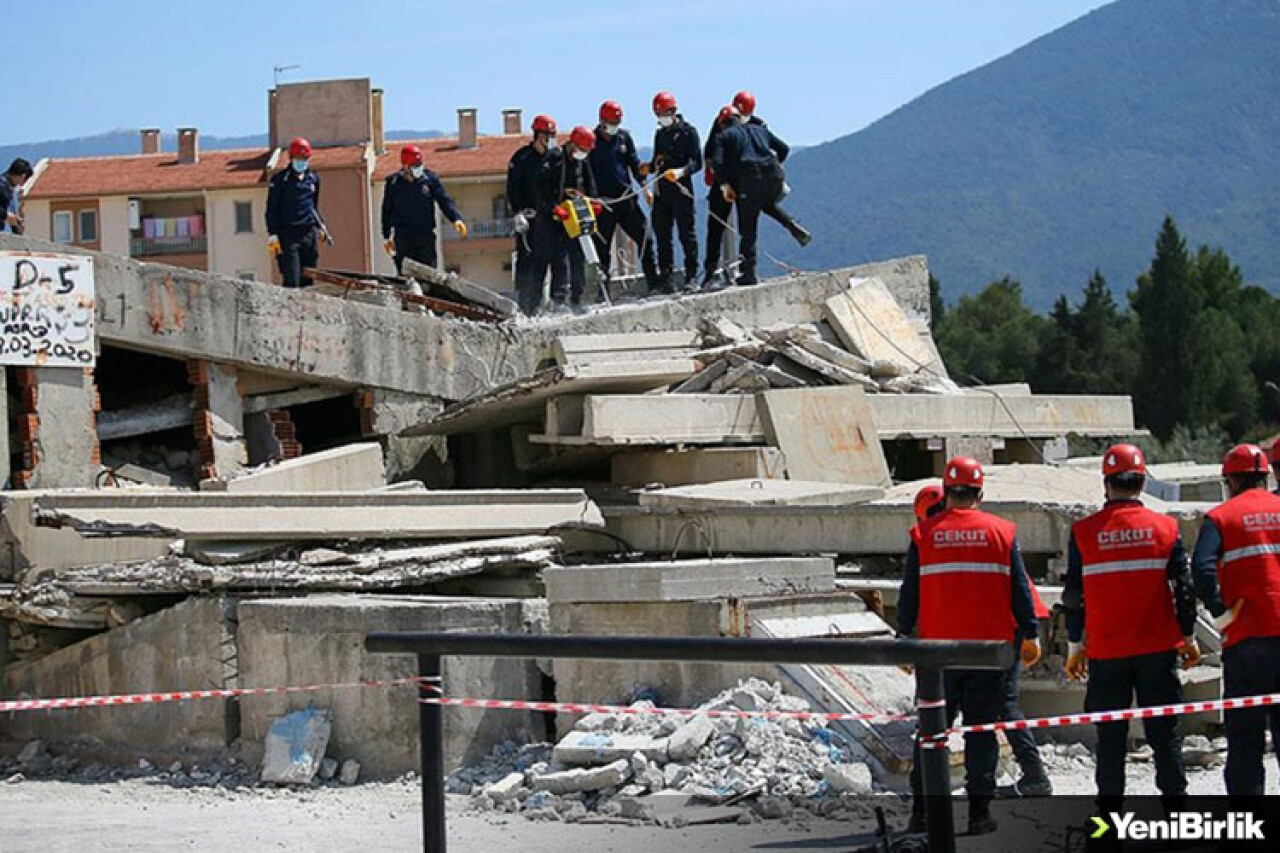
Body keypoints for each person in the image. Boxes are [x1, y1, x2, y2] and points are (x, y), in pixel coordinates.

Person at [898, 457, 1040, 836]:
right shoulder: (1002, 532)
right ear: (980, 492)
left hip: (936, 656)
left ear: (946, 492)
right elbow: (1020, 590)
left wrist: (903, 640)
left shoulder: (924, 534)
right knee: (981, 733)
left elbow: (909, 593)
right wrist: (1029, 634)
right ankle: (979, 814)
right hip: (988, 654)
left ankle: (922, 815)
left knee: (931, 734)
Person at [1062, 444, 1198, 815]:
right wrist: (1187, 637)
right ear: (1141, 483)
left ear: (1106, 484)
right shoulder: (1166, 528)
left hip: (1107, 654)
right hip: (1157, 648)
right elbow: (1185, 590)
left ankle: (1108, 824)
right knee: (1165, 737)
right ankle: (1177, 817)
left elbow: (1073, 596)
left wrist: (1076, 646)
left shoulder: (1084, 532)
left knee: (1110, 741)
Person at [1192, 443, 1280, 797]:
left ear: (1230, 480)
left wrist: (1220, 614)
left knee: (1245, 741)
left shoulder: (1221, 517)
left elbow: (1201, 568)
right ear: (1264, 476)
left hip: (1246, 640)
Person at [709, 109, 809, 287]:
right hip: (773, 176)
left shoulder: (724, 136)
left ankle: (748, 273)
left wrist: (725, 185)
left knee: (748, 228)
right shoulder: (759, 129)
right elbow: (784, 148)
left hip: (750, 178)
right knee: (766, 204)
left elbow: (717, 162)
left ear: (722, 123)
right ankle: (792, 224)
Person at [588, 101, 657, 290]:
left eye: (617, 122)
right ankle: (603, 293)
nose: (614, 126)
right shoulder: (592, 142)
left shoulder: (624, 138)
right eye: (611, 121)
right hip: (603, 205)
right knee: (602, 251)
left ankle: (654, 283)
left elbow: (634, 165)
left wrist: (645, 188)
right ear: (602, 120)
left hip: (626, 200)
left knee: (645, 239)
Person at [381, 144, 467, 275]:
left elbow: (444, 200)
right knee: (406, 277)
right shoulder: (393, 184)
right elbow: (386, 210)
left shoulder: (430, 179)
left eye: (419, 165)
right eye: (414, 166)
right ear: (405, 166)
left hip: (425, 236)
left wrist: (456, 219)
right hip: (403, 238)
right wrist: (386, 236)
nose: (418, 169)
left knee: (429, 275)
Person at [646, 91, 702, 292]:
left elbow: (697, 162)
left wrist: (681, 172)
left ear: (673, 111)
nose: (661, 118)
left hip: (681, 190)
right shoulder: (660, 134)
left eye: (663, 113)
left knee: (686, 234)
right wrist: (649, 167)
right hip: (662, 191)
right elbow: (656, 160)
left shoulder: (689, 132)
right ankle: (666, 278)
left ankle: (691, 276)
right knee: (662, 235)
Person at [538, 126, 598, 311]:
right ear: (573, 145)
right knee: (559, 258)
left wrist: (594, 202)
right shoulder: (554, 158)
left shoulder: (582, 162)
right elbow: (542, 188)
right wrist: (553, 207)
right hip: (555, 217)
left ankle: (577, 299)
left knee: (578, 256)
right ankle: (558, 299)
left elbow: (590, 183)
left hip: (576, 214)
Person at [506, 115, 561, 315]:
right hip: (528, 220)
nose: (550, 139)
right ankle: (522, 305)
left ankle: (539, 305)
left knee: (547, 262)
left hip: (549, 219)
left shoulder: (555, 157)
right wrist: (517, 212)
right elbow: (512, 188)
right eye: (548, 135)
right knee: (525, 262)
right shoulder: (521, 158)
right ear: (538, 135)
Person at [265, 137, 329, 288]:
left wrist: (321, 227)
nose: (302, 161)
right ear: (291, 158)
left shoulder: (313, 179)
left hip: (308, 234)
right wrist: (273, 233)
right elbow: (271, 209)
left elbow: (313, 207)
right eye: (298, 158)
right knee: (292, 278)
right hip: (288, 235)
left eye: (305, 158)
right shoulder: (280, 180)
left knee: (308, 280)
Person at [700, 105, 742, 289]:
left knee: (745, 229)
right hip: (725, 183)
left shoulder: (755, 126)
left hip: (737, 182)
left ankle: (745, 268)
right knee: (716, 228)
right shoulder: (720, 129)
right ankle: (711, 272)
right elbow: (710, 154)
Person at [1, 158, 32, 234]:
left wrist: (16, 226)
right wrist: (6, 215)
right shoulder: (2, 186)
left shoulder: (9, 188)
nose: (21, 184)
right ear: (22, 176)